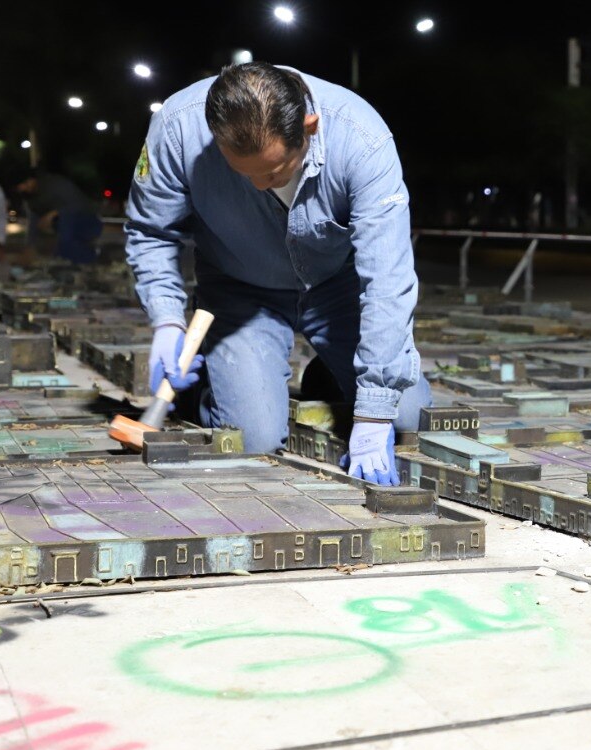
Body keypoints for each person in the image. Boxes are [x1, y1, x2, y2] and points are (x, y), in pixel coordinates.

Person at [125, 61, 430, 485]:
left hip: (334, 287)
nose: (258, 187)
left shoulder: (362, 139)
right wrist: (167, 321)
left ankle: (331, 374)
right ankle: (210, 383)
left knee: (409, 416)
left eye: (272, 172)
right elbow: (151, 232)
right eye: (242, 173)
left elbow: (388, 280)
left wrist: (374, 410)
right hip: (240, 289)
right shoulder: (177, 128)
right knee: (256, 438)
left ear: (310, 127)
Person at [15, 170, 103, 264]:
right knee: (63, 248)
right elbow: (34, 220)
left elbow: (77, 204)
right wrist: (30, 246)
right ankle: (75, 260)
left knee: (66, 235)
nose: (23, 189)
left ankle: (88, 259)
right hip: (64, 226)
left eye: (23, 186)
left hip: (86, 220)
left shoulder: (55, 184)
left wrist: (52, 214)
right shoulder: (31, 199)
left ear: (30, 180)